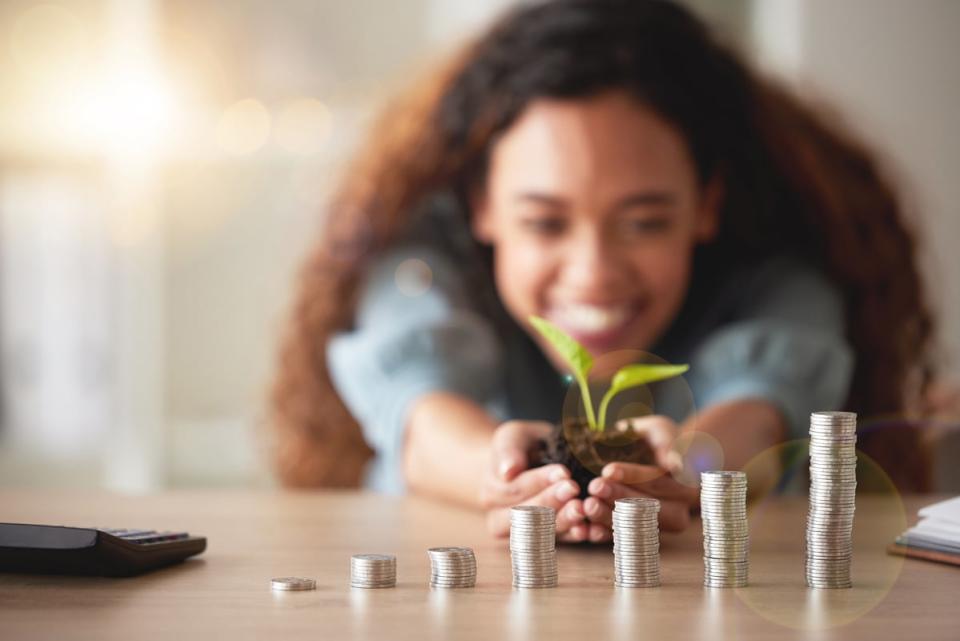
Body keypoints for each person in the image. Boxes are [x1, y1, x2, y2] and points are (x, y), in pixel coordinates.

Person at [269, 0, 935, 542]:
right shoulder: (418, 254)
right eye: (545, 222)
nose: (593, 274)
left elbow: (761, 409)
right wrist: (502, 473)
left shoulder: (780, 272)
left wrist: (683, 467)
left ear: (708, 204)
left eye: (644, 222)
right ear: (481, 206)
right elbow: (421, 409)